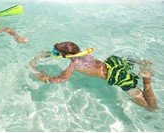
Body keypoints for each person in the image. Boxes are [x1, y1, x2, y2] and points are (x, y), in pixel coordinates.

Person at [30, 41, 158, 111]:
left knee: (149, 106)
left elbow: (62, 78)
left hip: (118, 76)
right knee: (129, 66)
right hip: (114, 65)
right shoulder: (81, 53)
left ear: (66, 56)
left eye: (56, 53)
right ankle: (145, 70)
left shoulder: (74, 63)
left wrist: (45, 78)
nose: (54, 54)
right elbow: (66, 52)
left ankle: (149, 91)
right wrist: (46, 53)